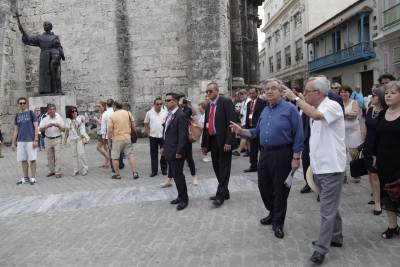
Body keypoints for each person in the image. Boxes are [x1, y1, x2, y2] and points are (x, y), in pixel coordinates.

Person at [230, 79, 303, 239]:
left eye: (273, 89)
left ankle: (278, 222)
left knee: (280, 190)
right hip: (265, 153)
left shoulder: (290, 109)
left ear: (281, 91)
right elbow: (256, 131)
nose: (269, 91)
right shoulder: (265, 110)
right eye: (267, 89)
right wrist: (241, 131)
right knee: (264, 186)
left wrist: (296, 158)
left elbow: (299, 134)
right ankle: (272, 211)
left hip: (283, 154)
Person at [285, 76, 346, 265]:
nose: (303, 94)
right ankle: (336, 236)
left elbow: (316, 116)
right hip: (319, 167)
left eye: (306, 91)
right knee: (330, 206)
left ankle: (321, 249)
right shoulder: (317, 107)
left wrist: (295, 99)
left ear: (317, 93)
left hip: (332, 168)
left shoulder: (332, 106)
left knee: (326, 209)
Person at [201, 82, 238, 207]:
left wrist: (229, 141)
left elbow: (233, 122)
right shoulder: (208, 106)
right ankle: (225, 192)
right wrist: (204, 144)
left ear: (217, 91)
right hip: (212, 140)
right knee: (217, 167)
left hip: (223, 141)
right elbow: (206, 126)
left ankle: (220, 194)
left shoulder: (225, 102)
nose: (208, 93)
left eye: (210, 91)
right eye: (207, 92)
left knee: (224, 168)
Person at [375, 81, 400, 239]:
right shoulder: (383, 113)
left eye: (393, 92)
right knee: (387, 195)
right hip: (384, 162)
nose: (388, 95)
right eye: (387, 93)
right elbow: (378, 138)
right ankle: (392, 226)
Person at [16, 17, 65, 94]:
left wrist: (61, 54)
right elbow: (29, 39)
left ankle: (56, 90)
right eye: (44, 25)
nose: (45, 26)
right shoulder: (39, 37)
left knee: (55, 74)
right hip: (44, 57)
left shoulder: (55, 37)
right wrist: (23, 33)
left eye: (47, 25)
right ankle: (45, 91)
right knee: (45, 74)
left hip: (54, 57)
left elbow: (59, 47)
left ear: (50, 27)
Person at [161, 93, 189, 211]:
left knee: (178, 175)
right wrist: (164, 147)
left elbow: (183, 136)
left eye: (168, 100)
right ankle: (180, 196)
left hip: (177, 151)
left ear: (176, 102)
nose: (166, 102)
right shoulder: (170, 114)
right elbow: (167, 133)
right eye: (165, 100)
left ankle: (184, 199)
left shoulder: (180, 115)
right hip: (169, 149)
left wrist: (179, 151)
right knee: (175, 176)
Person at [364, 87, 387, 215]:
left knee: (375, 174)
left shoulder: (386, 111)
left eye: (374, 95)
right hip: (368, 144)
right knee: (370, 172)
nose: (371, 97)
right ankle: (375, 197)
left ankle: (378, 202)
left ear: (380, 97)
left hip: (379, 146)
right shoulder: (370, 110)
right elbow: (367, 127)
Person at [107, 101, 139, 180]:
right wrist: (135, 134)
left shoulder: (112, 116)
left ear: (114, 106)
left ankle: (117, 174)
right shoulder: (128, 113)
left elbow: (110, 130)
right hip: (127, 137)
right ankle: (135, 172)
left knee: (115, 157)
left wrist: (109, 142)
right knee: (130, 155)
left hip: (117, 138)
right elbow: (133, 125)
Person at [11, 97, 38, 185]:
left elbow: (36, 127)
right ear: (18, 104)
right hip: (21, 141)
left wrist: (36, 139)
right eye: (20, 103)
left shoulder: (31, 113)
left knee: (32, 159)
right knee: (23, 160)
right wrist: (13, 143)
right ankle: (25, 178)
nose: (22, 104)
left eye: (23, 103)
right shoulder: (17, 115)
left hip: (30, 140)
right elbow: (15, 130)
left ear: (26, 104)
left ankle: (33, 178)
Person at [340, 85, 363, 183]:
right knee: (341, 153)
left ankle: (356, 173)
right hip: (341, 131)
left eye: (346, 91)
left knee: (353, 152)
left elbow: (354, 115)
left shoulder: (354, 102)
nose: (343, 93)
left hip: (353, 131)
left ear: (350, 93)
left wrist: (342, 115)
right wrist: (347, 115)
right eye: (341, 92)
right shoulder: (338, 103)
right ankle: (343, 175)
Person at [39, 103, 65, 178]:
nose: (52, 111)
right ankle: (51, 171)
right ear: (48, 111)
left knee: (57, 156)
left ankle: (58, 172)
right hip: (48, 139)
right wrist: (46, 126)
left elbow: (63, 129)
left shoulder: (59, 118)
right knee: (49, 156)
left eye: (54, 109)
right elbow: (40, 129)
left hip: (57, 138)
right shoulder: (45, 119)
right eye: (51, 109)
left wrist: (58, 125)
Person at [243, 88, 266, 173]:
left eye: (253, 93)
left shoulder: (262, 102)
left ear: (257, 93)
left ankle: (263, 166)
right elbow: (248, 114)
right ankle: (253, 166)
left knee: (262, 148)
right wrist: (246, 127)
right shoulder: (249, 103)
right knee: (252, 149)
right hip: (251, 128)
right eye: (250, 93)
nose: (251, 95)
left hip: (259, 128)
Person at [144, 97, 168, 177]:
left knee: (164, 153)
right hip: (153, 136)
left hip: (163, 136)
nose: (159, 105)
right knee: (153, 154)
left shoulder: (165, 112)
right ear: (154, 104)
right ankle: (154, 171)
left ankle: (164, 169)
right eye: (157, 104)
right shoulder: (149, 113)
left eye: (161, 104)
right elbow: (146, 123)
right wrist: (148, 133)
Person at [64, 107, 89, 176]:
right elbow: (66, 131)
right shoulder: (68, 120)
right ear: (70, 113)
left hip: (79, 138)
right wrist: (65, 139)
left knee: (81, 153)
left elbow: (86, 121)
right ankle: (76, 170)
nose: (74, 112)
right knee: (74, 155)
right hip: (72, 139)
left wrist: (84, 118)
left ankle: (85, 168)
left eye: (75, 111)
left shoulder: (81, 117)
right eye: (72, 112)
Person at [179, 97, 198, 185]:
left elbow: (194, 113)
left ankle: (194, 177)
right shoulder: (176, 109)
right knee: (175, 160)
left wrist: (190, 104)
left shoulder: (187, 109)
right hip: (177, 136)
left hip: (187, 136)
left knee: (189, 158)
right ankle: (169, 179)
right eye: (182, 100)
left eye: (184, 101)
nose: (183, 102)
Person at [101, 99, 124, 172]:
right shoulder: (117, 112)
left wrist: (103, 137)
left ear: (107, 105)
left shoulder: (105, 114)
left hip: (109, 135)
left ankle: (113, 166)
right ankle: (120, 164)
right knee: (119, 150)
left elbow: (103, 127)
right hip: (118, 133)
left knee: (111, 151)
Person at [233, 89, 250, 157]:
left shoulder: (249, 101)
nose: (241, 96)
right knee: (247, 138)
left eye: (243, 94)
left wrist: (249, 120)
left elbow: (250, 112)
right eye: (240, 95)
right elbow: (242, 112)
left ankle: (239, 151)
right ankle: (249, 151)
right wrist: (240, 115)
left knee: (243, 137)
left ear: (246, 94)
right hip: (243, 121)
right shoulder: (243, 102)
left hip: (247, 122)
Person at [93, 101, 109, 168]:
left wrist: (96, 119)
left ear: (104, 106)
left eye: (100, 106)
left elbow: (102, 124)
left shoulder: (104, 114)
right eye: (98, 106)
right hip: (101, 132)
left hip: (102, 133)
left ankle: (109, 158)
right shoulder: (102, 113)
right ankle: (106, 163)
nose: (98, 108)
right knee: (105, 148)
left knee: (98, 147)